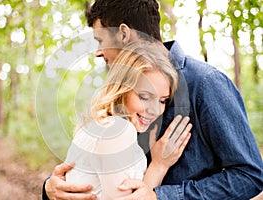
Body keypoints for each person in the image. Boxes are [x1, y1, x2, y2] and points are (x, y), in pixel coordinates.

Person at [42, 0, 263, 199]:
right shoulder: (121, 89)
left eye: (100, 40)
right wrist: (51, 188)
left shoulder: (206, 83)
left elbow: (250, 175)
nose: (98, 52)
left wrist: (162, 196)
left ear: (123, 34)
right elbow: (95, 170)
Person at [63, 41, 192, 199]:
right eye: (145, 97)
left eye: (162, 100)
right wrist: (159, 166)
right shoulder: (118, 130)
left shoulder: (102, 125)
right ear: (121, 89)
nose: (156, 110)